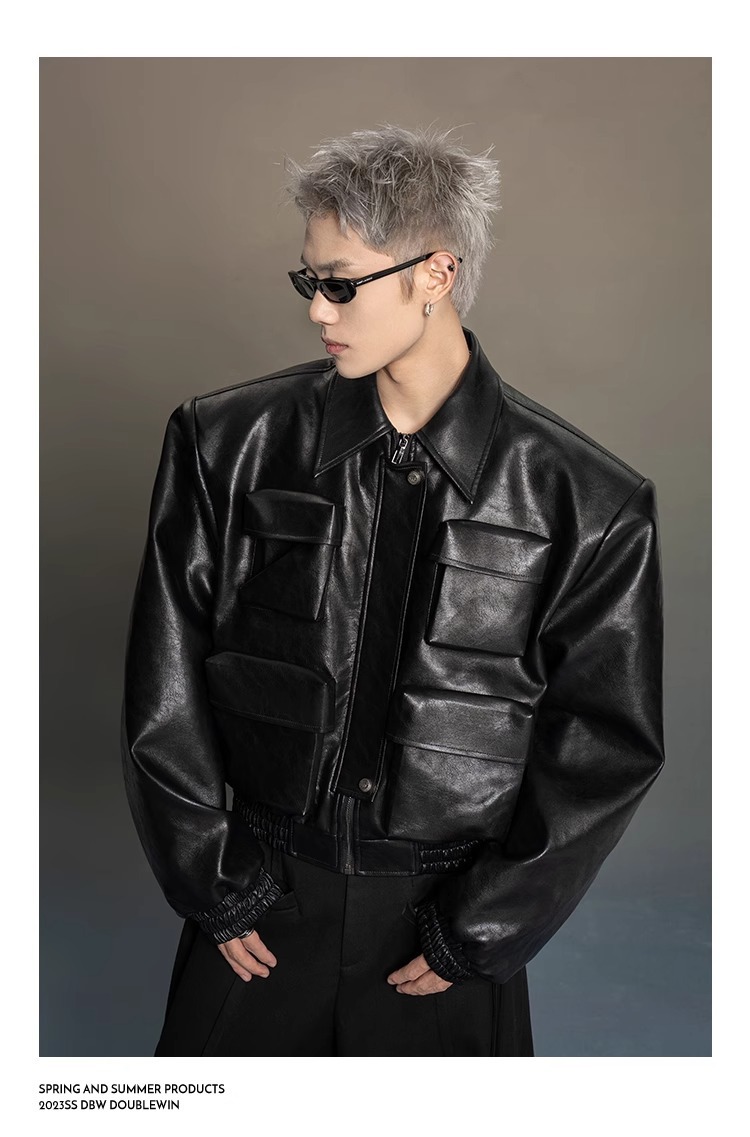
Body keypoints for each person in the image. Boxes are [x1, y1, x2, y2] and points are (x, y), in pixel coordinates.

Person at [120, 123, 665, 1057]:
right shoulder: (226, 443)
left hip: (439, 931)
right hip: (258, 909)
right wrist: (217, 882)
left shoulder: (588, 499)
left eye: (340, 283)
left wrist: (481, 929)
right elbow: (163, 676)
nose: (316, 310)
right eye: (308, 280)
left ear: (436, 274)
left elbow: (606, 743)